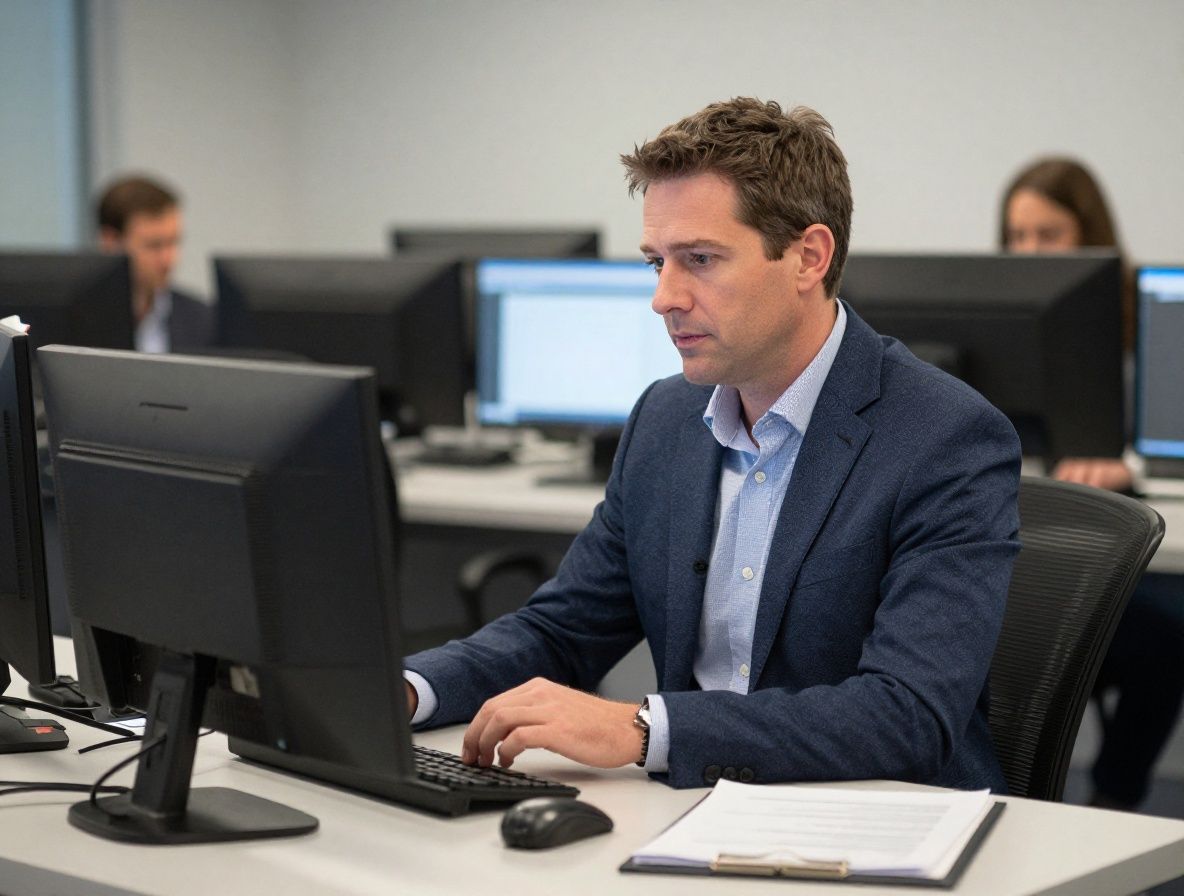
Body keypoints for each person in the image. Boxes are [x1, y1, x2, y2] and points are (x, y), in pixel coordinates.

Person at [404, 98, 1022, 791]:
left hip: (876, 823)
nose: (664, 297)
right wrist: (407, 689)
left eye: (698, 260)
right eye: (656, 263)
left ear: (808, 257)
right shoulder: (666, 419)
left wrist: (644, 730)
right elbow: (562, 632)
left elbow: (906, 714)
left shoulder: (946, 437)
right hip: (693, 812)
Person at [1001, 156, 1184, 811]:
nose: (1030, 252)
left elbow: (1167, 433)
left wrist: (1127, 464)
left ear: (1089, 233)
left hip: (1129, 537)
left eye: (1047, 235)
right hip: (1025, 539)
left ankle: (1116, 797)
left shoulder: (1146, 317)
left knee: (1164, 640)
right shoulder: (1006, 321)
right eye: (1017, 236)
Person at [96, 174, 216, 353]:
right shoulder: (78, 321)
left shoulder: (204, 319)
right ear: (110, 242)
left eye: (173, 242)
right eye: (154, 245)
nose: (169, 259)